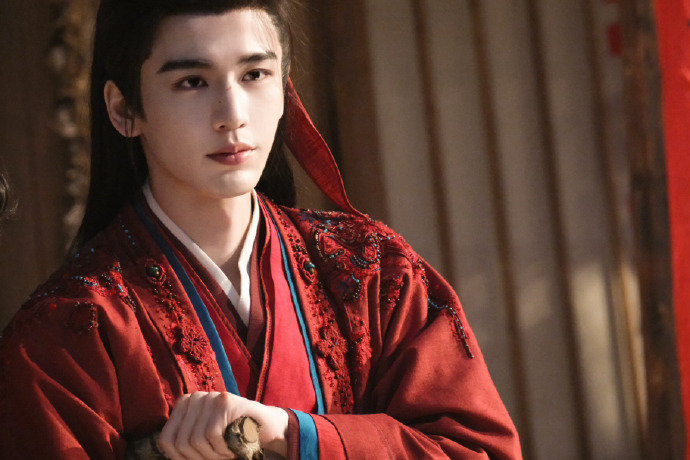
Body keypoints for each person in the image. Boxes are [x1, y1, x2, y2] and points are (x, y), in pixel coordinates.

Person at [0, 1, 521, 458]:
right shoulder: (66, 335)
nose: (232, 115)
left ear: (285, 89)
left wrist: (291, 433)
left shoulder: (373, 272)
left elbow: (479, 451)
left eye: (254, 74)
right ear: (123, 109)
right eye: (192, 82)